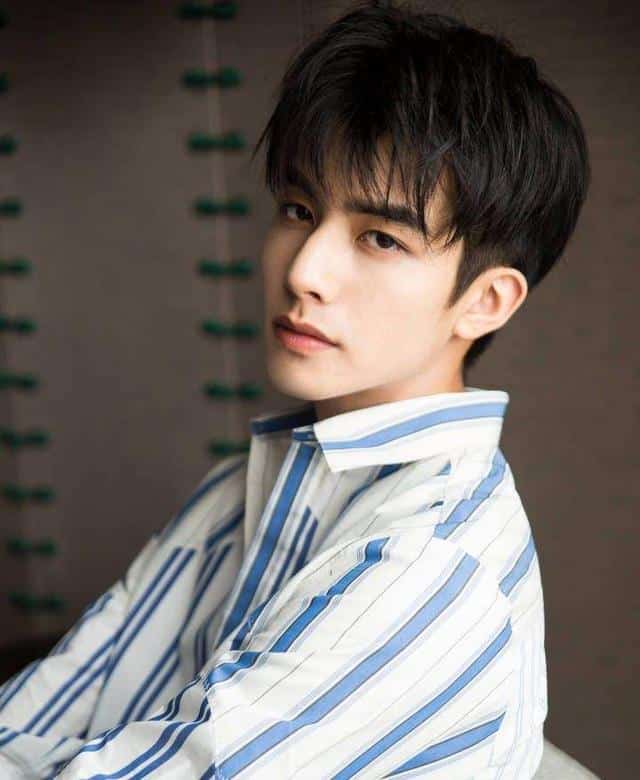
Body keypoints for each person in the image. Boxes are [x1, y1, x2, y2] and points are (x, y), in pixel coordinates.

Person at [0, 0, 590, 776]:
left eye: (380, 238)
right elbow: (66, 693)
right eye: (298, 209)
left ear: (485, 301)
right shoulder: (248, 487)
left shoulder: (428, 562)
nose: (304, 270)